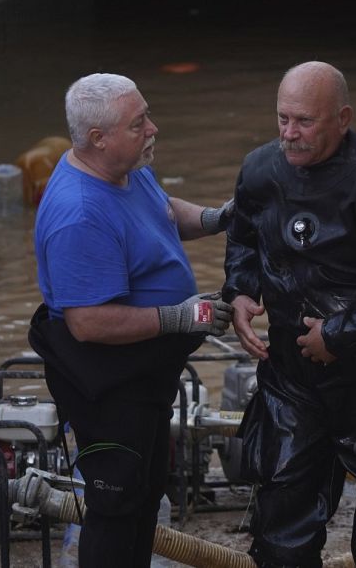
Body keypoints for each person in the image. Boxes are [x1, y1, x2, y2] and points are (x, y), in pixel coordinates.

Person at [224, 61, 356, 568]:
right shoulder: (260, 170)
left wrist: (340, 335)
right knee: (281, 511)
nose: (289, 134)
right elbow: (242, 238)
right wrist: (238, 293)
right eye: (282, 119)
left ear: (342, 118)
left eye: (304, 121)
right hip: (291, 379)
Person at [28, 73, 234, 567]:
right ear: (98, 138)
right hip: (107, 381)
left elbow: (160, 211)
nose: (153, 129)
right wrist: (183, 316)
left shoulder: (124, 166)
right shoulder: (79, 213)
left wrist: (214, 219)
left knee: (145, 492)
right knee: (116, 503)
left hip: (144, 373)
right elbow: (89, 324)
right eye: (139, 123)